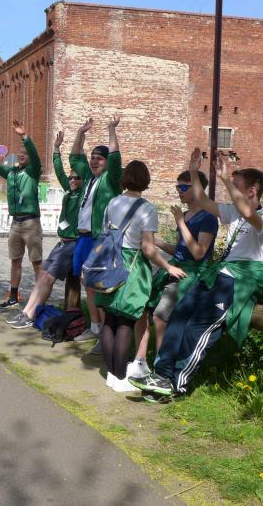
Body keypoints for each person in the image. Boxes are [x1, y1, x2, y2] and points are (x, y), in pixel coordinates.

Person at [143, 149, 263, 397]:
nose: (231, 191)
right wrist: (194, 171)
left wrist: (226, 178)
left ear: (252, 191)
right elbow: (203, 201)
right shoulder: (235, 212)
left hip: (238, 281)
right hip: (218, 273)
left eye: (237, 187)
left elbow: (248, 213)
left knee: (197, 329)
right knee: (179, 316)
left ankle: (177, 383)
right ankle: (161, 374)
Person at [95, 161, 187, 393]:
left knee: (110, 320)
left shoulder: (113, 202)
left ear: (125, 178)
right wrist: (168, 267)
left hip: (110, 263)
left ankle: (111, 375)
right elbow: (147, 248)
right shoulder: (147, 209)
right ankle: (120, 378)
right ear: (145, 180)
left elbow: (106, 233)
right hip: (133, 266)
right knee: (126, 321)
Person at [126, 170, 218, 387]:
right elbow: (179, 249)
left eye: (184, 187)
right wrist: (155, 241)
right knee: (142, 307)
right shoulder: (185, 215)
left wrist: (181, 222)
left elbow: (198, 253)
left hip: (192, 274)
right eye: (178, 187)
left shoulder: (208, 218)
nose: (179, 191)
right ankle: (141, 361)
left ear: (198, 189)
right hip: (175, 268)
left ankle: (161, 371)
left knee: (161, 316)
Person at [5, 130, 83, 329]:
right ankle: (26, 312)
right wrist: (56, 148)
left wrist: (81, 135)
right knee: (42, 277)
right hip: (62, 242)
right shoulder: (69, 190)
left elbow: (79, 162)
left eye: (77, 178)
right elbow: (59, 171)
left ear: (84, 181)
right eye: (71, 177)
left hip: (73, 243)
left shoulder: (84, 194)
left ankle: (31, 315)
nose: (72, 180)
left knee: (47, 277)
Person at [0, 120, 42, 308]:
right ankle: (13, 297)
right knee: (15, 261)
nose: (22, 154)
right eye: (20, 152)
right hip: (16, 224)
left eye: (25, 152)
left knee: (36, 262)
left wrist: (24, 136)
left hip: (31, 223)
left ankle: (40, 297)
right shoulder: (11, 173)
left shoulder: (33, 171)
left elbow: (35, 156)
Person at [69, 116, 123, 354]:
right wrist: (81, 133)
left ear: (107, 162)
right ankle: (95, 326)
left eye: (99, 158)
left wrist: (111, 130)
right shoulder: (90, 178)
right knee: (86, 282)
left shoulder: (111, 179)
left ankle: (106, 336)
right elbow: (75, 157)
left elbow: (116, 157)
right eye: (92, 157)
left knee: (100, 285)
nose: (94, 161)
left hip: (100, 239)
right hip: (83, 238)